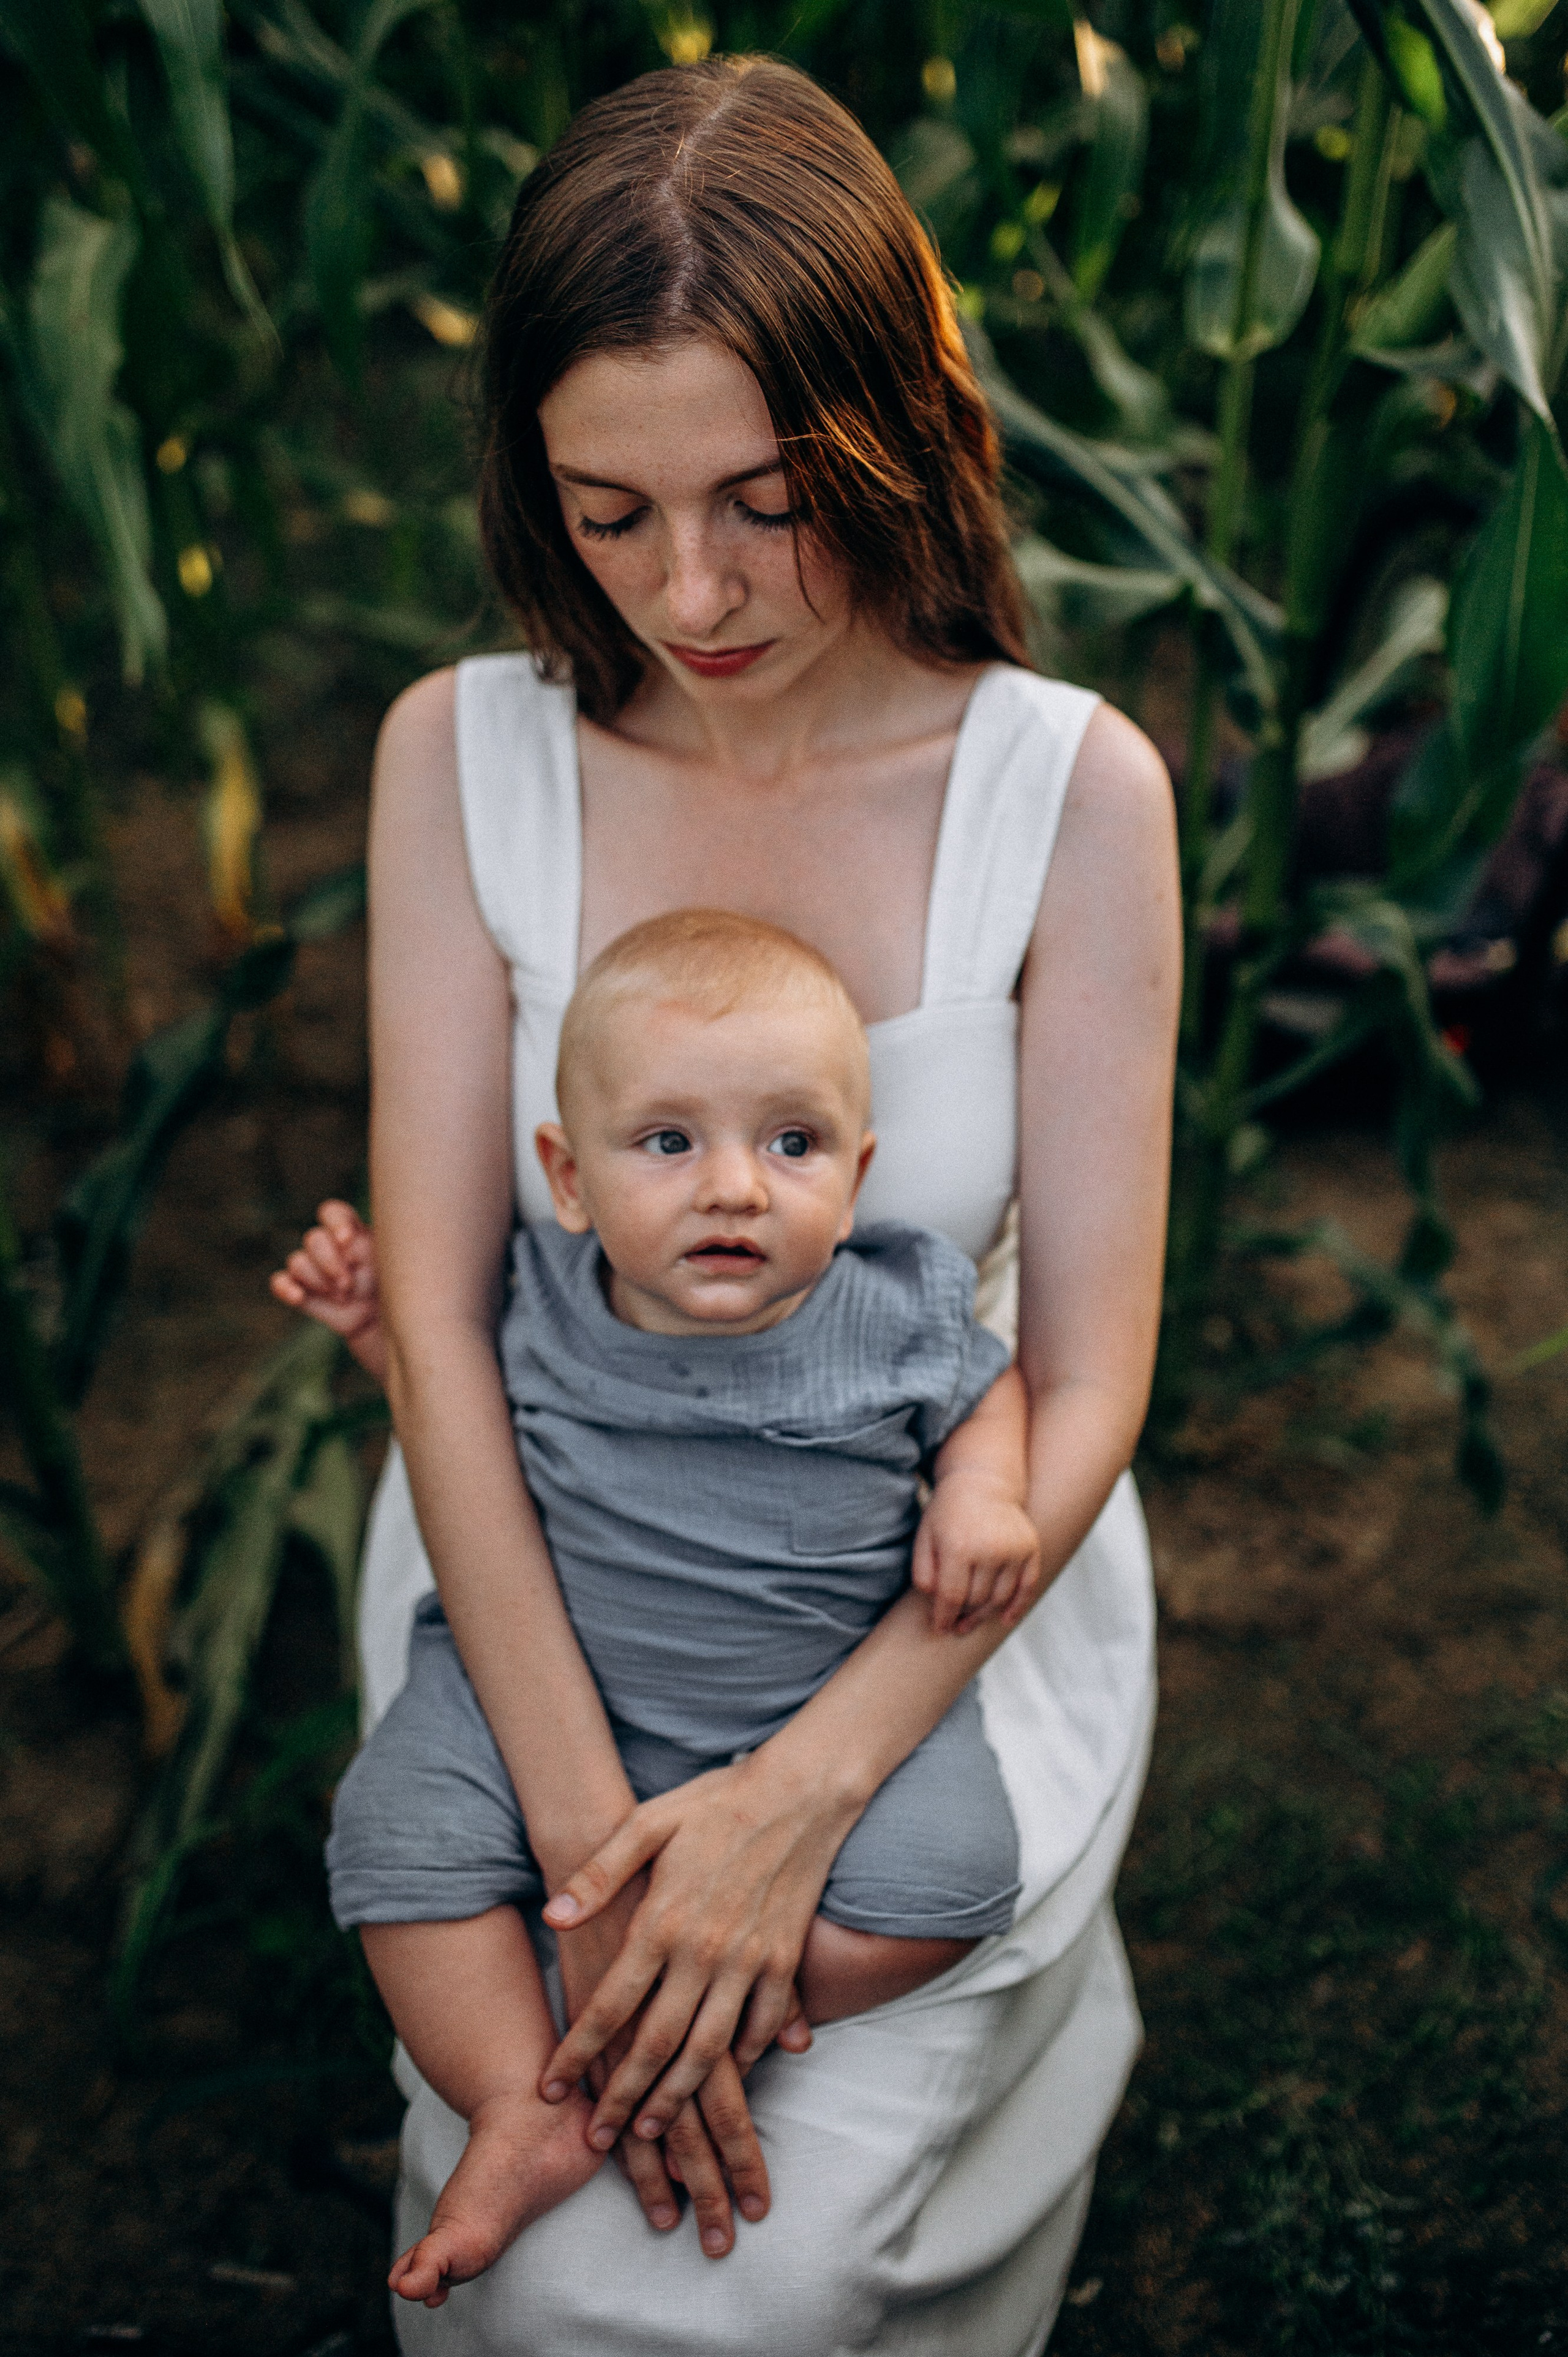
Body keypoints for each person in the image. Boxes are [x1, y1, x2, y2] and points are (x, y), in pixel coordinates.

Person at [273, 49, 1178, 2356]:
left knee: (738, 2286)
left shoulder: (1067, 791)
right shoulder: (452, 762)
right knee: (572, 2269)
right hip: (535, 1593)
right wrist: (595, 1855)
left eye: (769, 500)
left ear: (894, 430)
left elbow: (1082, 1376)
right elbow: (456, 1326)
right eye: (608, 512)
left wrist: (796, 1799)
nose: (691, 587)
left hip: (923, 1631)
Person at [322, 906, 1050, 2306]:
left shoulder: (895, 1306)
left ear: (859, 1172)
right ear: (569, 1176)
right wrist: (373, 1331)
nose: (734, 1188)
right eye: (668, 1142)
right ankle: (514, 2093)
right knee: (396, 1832)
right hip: (541, 1691)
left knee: (952, 1881)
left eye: (792, 1143)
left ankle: (706, 2003)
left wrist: (980, 1492)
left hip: (818, 1691)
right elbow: (453, 1398)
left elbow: (987, 1390)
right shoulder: (532, 1299)